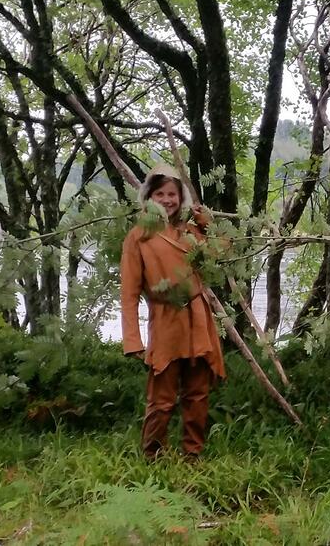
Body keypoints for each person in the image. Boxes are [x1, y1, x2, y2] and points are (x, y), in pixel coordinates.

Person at [120, 164, 226, 460]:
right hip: (165, 319)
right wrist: (132, 339)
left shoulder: (190, 232)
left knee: (197, 392)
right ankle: (153, 455)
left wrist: (208, 224)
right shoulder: (138, 237)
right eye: (160, 194)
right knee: (162, 396)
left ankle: (193, 454)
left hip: (198, 318)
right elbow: (129, 293)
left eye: (172, 194)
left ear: (181, 199)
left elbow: (222, 252)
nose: (167, 200)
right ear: (149, 196)